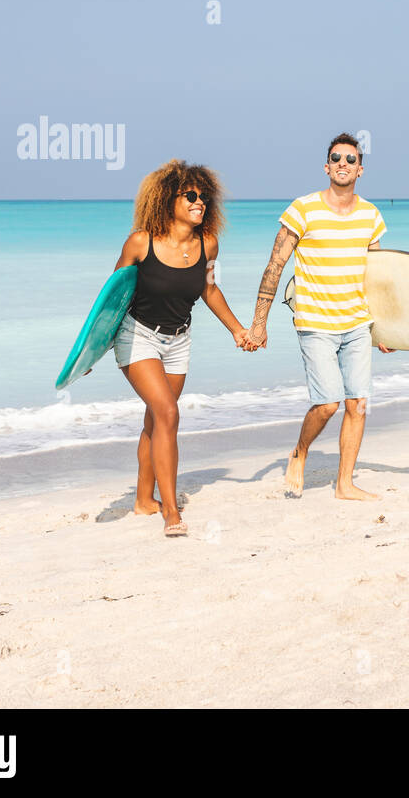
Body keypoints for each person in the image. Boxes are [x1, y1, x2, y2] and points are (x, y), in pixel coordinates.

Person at [244, 133, 393, 501]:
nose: (343, 163)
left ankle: (345, 484)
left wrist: (386, 326)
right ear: (327, 167)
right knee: (328, 403)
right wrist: (258, 323)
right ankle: (301, 450)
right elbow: (275, 265)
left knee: (357, 403)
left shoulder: (371, 215)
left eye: (350, 159)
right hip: (315, 322)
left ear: (361, 169)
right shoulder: (303, 209)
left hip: (358, 323)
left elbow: (379, 274)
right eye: (336, 158)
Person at [113, 160, 251, 536]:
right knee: (169, 414)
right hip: (136, 335)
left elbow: (208, 289)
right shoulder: (141, 243)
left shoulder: (208, 244)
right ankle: (170, 510)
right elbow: (111, 298)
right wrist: (90, 351)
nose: (199, 201)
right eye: (190, 195)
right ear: (166, 198)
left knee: (156, 420)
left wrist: (238, 330)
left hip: (178, 341)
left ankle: (143, 500)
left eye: (204, 196)